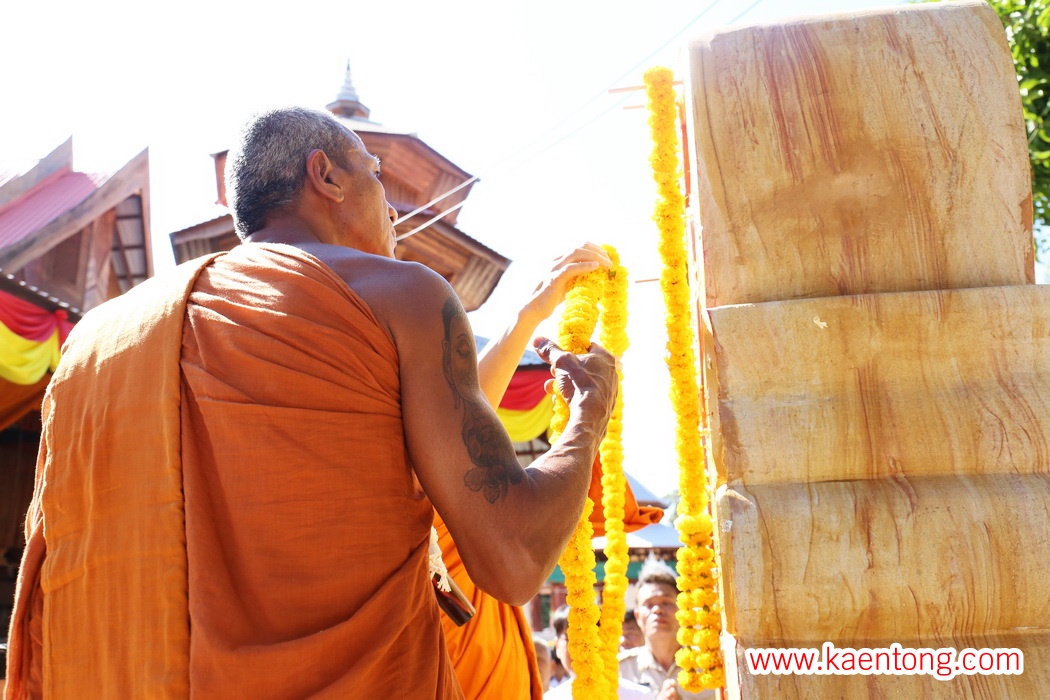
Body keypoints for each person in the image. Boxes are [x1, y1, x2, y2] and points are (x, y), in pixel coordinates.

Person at [3, 106, 618, 699]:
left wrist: (521, 319)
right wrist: (588, 415)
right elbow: (513, 556)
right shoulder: (402, 294)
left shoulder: (99, 341)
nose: (393, 211)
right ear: (325, 175)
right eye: (376, 174)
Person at [435, 246, 665, 700]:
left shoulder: (452, 525)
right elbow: (455, 425)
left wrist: (528, 316)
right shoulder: (422, 526)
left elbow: (459, 417)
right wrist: (586, 418)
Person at [619, 561, 717, 700]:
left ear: (682, 610)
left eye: (666, 603)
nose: (658, 610)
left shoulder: (708, 664)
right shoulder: (621, 669)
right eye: (649, 604)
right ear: (638, 616)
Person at [543, 605, 652, 699]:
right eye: (572, 639)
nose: (582, 648)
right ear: (557, 646)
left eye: (590, 638)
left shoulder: (639, 697)